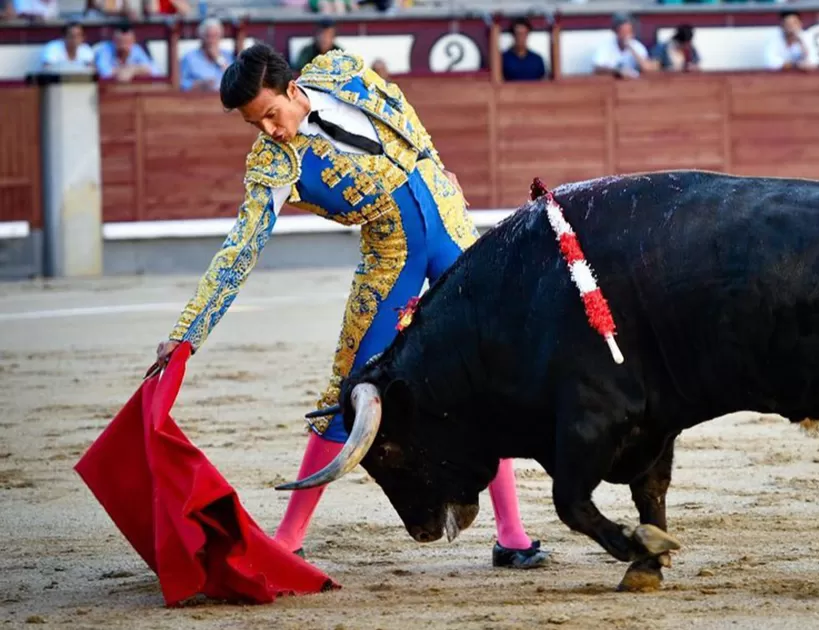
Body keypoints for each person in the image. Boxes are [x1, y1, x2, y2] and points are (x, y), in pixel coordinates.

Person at [151, 44, 552, 569]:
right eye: (256, 124)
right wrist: (188, 334)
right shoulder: (274, 163)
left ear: (293, 90)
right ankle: (288, 539)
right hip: (392, 260)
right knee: (351, 390)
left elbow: (402, 110)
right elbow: (240, 249)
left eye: (271, 114)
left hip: (450, 227)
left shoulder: (340, 68)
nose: (269, 131)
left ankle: (513, 535)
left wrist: (435, 165)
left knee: (487, 375)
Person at [592, 13, 657, 79]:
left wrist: (631, 47)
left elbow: (646, 68)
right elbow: (597, 68)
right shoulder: (606, 46)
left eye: (628, 32)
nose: (625, 35)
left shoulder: (638, 47)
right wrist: (617, 71)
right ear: (616, 32)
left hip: (633, 85)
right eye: (622, 32)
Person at [180, 18, 233, 92]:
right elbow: (181, 84)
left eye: (215, 36)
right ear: (201, 37)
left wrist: (219, 59)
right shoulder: (189, 58)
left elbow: (234, 79)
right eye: (208, 36)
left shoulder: (228, 55)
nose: (212, 40)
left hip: (225, 99)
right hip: (197, 99)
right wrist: (200, 85)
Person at [501, 17, 546, 81]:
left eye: (523, 34)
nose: (520, 37)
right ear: (513, 35)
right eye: (518, 34)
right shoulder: (503, 59)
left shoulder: (537, 59)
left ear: (527, 34)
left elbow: (543, 83)